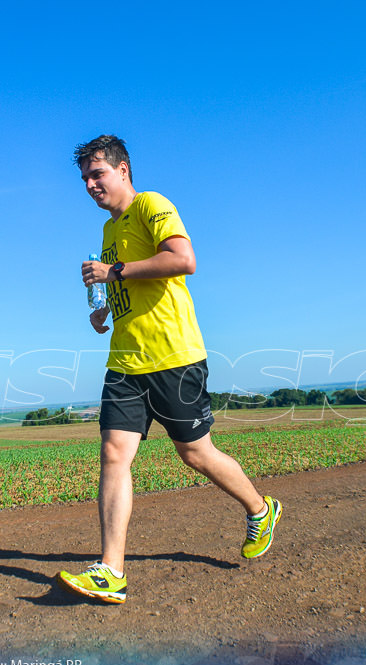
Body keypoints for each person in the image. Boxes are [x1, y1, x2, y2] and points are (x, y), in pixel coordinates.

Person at [57, 135, 282, 604]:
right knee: (114, 455)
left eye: (97, 174)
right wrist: (104, 308)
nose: (90, 185)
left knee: (195, 454)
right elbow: (129, 283)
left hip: (174, 357)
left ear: (123, 170)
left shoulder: (152, 205)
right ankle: (111, 570)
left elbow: (183, 260)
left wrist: (112, 272)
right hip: (125, 360)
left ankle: (261, 509)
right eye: (84, 178)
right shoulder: (107, 231)